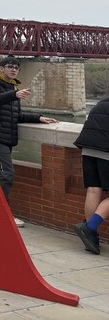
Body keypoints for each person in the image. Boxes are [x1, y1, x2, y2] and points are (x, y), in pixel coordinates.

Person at [0, 55, 58, 227]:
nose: (14, 69)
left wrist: (38, 118)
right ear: (1, 68)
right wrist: (14, 94)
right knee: (7, 174)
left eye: (16, 67)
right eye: (10, 66)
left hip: (7, 138)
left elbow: (16, 116)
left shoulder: (13, 88)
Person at [73, 97, 109, 254]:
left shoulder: (101, 103)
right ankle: (90, 226)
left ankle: (91, 237)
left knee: (94, 189)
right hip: (106, 151)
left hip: (88, 149)